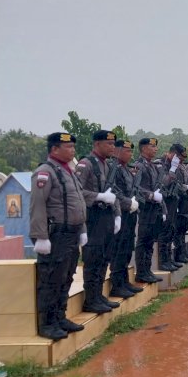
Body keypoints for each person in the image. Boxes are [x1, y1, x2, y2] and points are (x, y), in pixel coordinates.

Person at [29, 132, 87, 340]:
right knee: (51, 279)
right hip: (55, 235)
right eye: (68, 147)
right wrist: (40, 236)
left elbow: (77, 204)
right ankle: (48, 323)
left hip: (71, 234)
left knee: (66, 277)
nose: (72, 150)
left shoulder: (68, 171)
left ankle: (60, 317)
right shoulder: (45, 173)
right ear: (54, 149)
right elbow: (37, 206)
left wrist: (82, 231)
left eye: (73, 146)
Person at [74, 130, 121, 314]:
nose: (112, 147)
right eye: (108, 144)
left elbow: (113, 191)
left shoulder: (107, 166)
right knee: (93, 258)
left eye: (113, 144)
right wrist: (98, 196)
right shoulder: (86, 165)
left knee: (104, 258)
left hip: (106, 217)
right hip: (93, 217)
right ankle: (90, 299)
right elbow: (77, 193)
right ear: (97, 144)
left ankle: (98, 295)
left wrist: (117, 214)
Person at [108, 139, 142, 298]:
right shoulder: (113, 169)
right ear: (117, 151)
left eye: (131, 151)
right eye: (127, 151)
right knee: (119, 249)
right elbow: (114, 191)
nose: (130, 154)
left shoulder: (126, 169)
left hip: (130, 214)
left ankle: (124, 281)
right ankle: (117, 284)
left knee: (128, 247)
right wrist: (128, 203)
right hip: (120, 213)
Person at [134, 138, 166, 283]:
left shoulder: (152, 166)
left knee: (150, 241)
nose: (155, 149)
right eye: (152, 146)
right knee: (143, 241)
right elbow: (137, 188)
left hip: (154, 209)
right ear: (144, 148)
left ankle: (147, 270)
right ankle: (141, 272)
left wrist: (162, 208)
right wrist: (151, 195)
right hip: (145, 209)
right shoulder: (139, 166)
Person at [156, 144, 186, 271]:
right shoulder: (160, 165)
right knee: (164, 232)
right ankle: (163, 261)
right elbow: (164, 183)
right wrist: (172, 169)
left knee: (171, 230)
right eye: (180, 158)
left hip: (173, 203)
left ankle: (169, 259)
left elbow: (177, 184)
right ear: (174, 154)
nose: (181, 161)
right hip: (163, 204)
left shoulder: (175, 166)